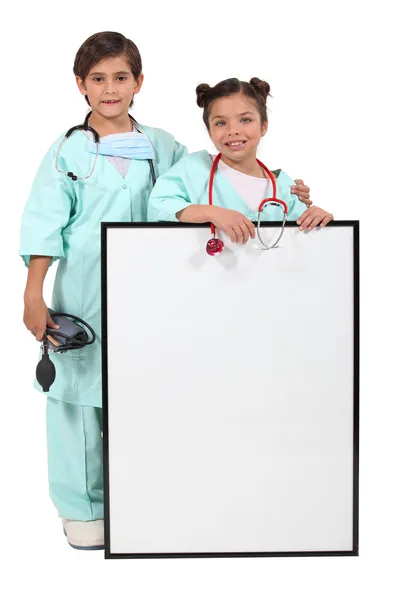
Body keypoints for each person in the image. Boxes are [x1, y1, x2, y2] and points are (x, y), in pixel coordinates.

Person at [20, 38, 312, 551]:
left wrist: (286, 190)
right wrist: (33, 294)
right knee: (78, 393)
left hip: (160, 289)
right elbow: (44, 224)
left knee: (150, 392)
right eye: (97, 79)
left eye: (120, 78)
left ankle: (145, 495)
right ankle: (84, 509)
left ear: (139, 82)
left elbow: (217, 185)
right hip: (87, 289)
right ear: (80, 85)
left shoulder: (166, 146)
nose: (110, 89)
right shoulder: (67, 150)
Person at [147, 77, 332, 240]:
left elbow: (303, 239)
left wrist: (318, 219)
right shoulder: (193, 168)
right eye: (220, 123)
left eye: (245, 120)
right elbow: (158, 204)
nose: (233, 130)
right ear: (210, 132)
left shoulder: (285, 187)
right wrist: (211, 213)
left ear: (264, 126)